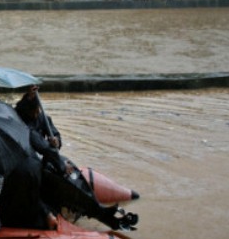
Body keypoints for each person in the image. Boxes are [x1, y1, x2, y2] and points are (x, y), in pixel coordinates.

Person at [15, 93, 138, 231]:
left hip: (46, 159)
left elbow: (54, 138)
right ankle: (98, 212)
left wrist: (56, 140)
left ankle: (97, 209)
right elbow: (44, 147)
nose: (37, 113)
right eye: (35, 111)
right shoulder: (20, 122)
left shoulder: (43, 118)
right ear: (28, 110)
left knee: (67, 172)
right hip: (32, 164)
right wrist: (61, 166)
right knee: (55, 175)